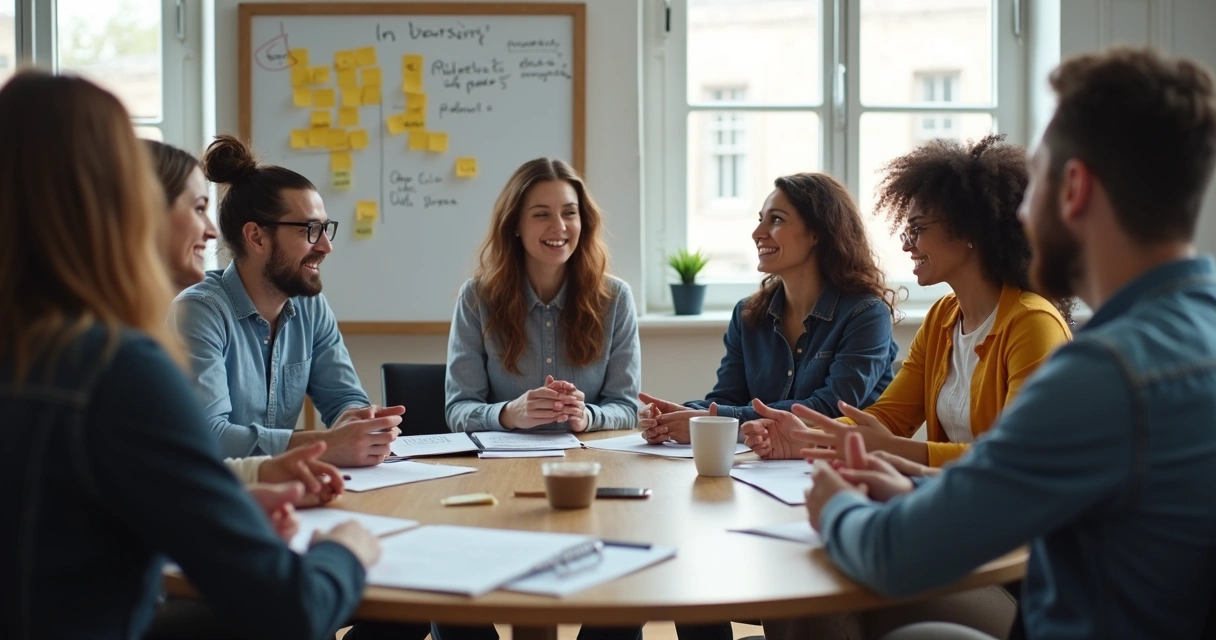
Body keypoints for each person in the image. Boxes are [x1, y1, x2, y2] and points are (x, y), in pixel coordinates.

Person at [799, 47, 1216, 640]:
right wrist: (904, 481)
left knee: (842, 602)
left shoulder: (1101, 374)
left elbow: (896, 554)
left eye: (1036, 180)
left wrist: (835, 507)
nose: (1020, 209)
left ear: (1073, 188)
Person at [0, 70, 380, 640]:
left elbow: (76, 525)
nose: (209, 230)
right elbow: (290, 608)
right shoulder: (119, 369)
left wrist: (236, 495)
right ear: (122, 206)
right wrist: (347, 549)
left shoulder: (36, 349)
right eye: (196, 206)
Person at [744, 134, 1073, 470]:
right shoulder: (943, 318)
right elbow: (890, 417)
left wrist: (896, 451)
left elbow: (1021, 455)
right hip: (961, 499)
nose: (907, 245)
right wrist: (804, 437)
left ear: (969, 231)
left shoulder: (1033, 323)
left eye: (917, 229)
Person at [442, 157, 642, 640]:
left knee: (627, 591)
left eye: (570, 213)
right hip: (497, 486)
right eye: (541, 214)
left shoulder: (615, 299)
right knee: (447, 595)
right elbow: (457, 409)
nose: (559, 227)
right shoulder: (477, 298)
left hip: (591, 484)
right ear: (514, 224)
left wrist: (585, 416)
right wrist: (507, 414)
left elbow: (627, 406)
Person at [171, 135, 402, 467]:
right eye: (309, 230)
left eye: (325, 229)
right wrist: (327, 443)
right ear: (257, 237)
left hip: (282, 491)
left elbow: (344, 398)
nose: (325, 246)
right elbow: (209, 437)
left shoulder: (310, 305)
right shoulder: (198, 312)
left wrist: (362, 421)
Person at [637, 172, 899, 447]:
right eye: (760, 219)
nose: (757, 233)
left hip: (844, 467)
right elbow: (728, 397)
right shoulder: (747, 314)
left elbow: (828, 408)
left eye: (776, 220)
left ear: (816, 233)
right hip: (766, 466)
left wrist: (710, 420)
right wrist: (674, 414)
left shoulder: (867, 314)